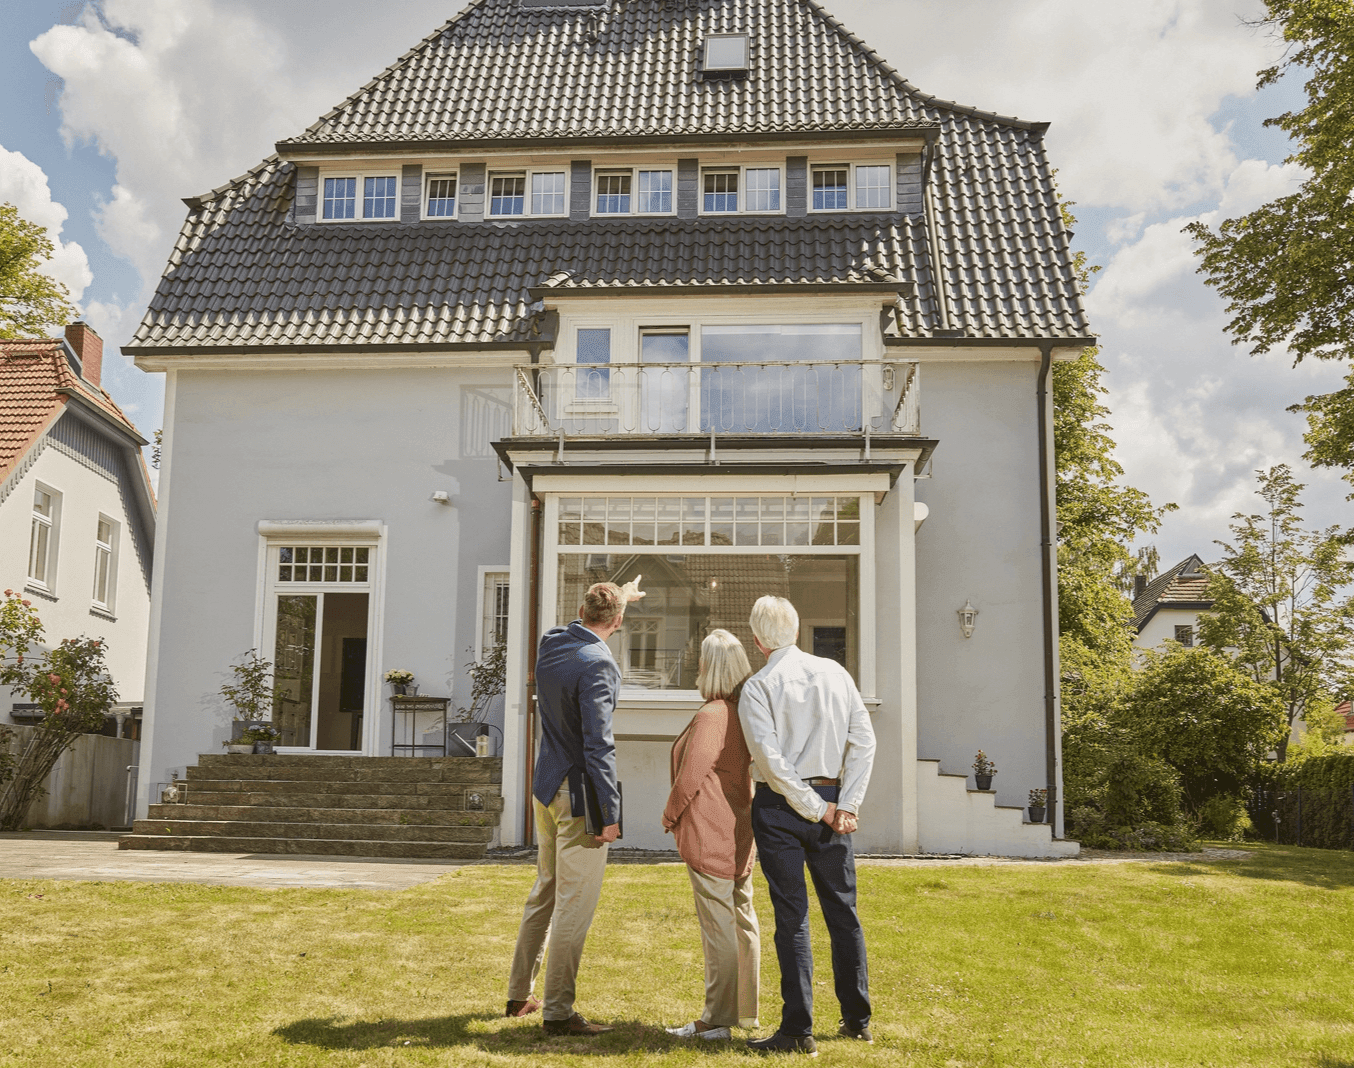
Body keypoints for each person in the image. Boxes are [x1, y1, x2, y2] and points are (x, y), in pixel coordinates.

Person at [738, 595, 877, 1055]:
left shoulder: (758, 687)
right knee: (843, 911)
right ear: (795, 631)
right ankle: (857, 1020)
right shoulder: (836, 673)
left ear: (757, 640)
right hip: (832, 801)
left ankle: (798, 1031)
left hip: (782, 808)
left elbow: (770, 763)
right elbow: (863, 741)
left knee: (792, 917)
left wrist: (822, 808)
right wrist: (845, 805)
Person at [505, 577, 644, 1036]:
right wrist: (611, 813)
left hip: (545, 787)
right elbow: (598, 745)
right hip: (578, 796)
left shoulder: (553, 643)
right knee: (573, 904)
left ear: (582, 610)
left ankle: (518, 995)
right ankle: (559, 1013)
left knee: (545, 889)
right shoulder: (598, 664)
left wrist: (619, 594)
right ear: (618, 622)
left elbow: (587, 620)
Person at [662, 629, 761, 1042]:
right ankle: (745, 1013)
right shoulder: (744, 713)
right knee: (743, 922)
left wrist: (669, 816)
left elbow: (691, 775)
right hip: (739, 829)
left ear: (711, 667)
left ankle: (716, 1020)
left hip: (710, 832)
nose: (696, 664)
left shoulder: (712, 715)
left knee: (719, 927)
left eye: (700, 659)